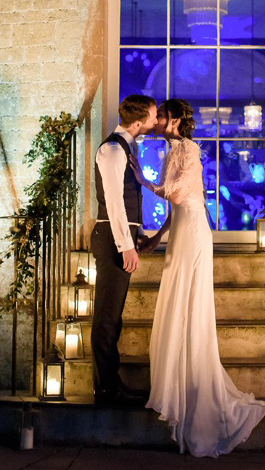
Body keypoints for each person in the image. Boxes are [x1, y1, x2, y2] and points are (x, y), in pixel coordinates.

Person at [130, 98, 265, 457]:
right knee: (176, 302)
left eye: (162, 116)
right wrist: (156, 238)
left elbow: (178, 193)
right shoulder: (173, 149)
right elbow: (176, 205)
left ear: (176, 119)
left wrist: (140, 180)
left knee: (188, 306)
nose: (158, 121)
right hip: (181, 228)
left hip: (194, 232)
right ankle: (179, 390)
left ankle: (195, 397)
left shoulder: (190, 148)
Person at [91, 94, 160, 405]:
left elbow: (131, 199)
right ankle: (106, 387)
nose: (156, 122)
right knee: (106, 316)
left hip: (123, 235)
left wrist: (140, 232)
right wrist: (125, 246)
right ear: (137, 122)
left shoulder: (128, 147)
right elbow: (115, 202)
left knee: (114, 315)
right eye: (153, 117)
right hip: (110, 238)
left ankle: (110, 383)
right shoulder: (112, 150)